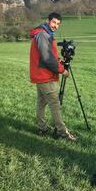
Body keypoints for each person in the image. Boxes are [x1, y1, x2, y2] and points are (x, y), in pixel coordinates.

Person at [29, 12, 77, 142]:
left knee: (41, 102)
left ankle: (42, 128)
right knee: (54, 104)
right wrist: (62, 70)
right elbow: (47, 58)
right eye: (54, 22)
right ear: (48, 21)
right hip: (44, 75)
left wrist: (58, 60)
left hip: (40, 74)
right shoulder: (43, 35)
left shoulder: (43, 33)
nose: (55, 25)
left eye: (58, 24)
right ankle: (62, 132)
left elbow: (47, 56)